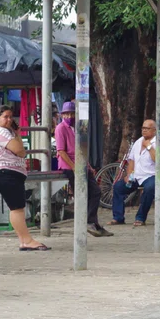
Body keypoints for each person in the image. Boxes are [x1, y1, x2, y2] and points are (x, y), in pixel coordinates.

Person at [0, 105, 50, 251]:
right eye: (5, 117)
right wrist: (16, 135)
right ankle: (27, 240)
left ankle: (24, 240)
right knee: (17, 208)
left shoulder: (7, 131)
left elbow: (20, 150)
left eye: (10, 117)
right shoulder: (0, 131)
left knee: (17, 207)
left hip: (10, 172)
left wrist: (17, 133)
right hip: (5, 172)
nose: (8, 120)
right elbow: (20, 151)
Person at [55, 101, 111, 238]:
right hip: (70, 165)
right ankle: (89, 222)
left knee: (96, 192)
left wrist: (89, 166)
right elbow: (61, 151)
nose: (69, 116)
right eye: (66, 114)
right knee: (84, 194)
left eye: (71, 113)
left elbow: (81, 150)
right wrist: (74, 167)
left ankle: (92, 222)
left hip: (81, 165)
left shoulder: (79, 128)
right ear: (62, 115)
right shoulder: (60, 128)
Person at [111, 119, 158, 227]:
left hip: (151, 175)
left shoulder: (157, 142)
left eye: (147, 128)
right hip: (137, 176)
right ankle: (118, 218)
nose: (144, 130)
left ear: (154, 130)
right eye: (143, 128)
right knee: (118, 187)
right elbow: (131, 160)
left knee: (150, 188)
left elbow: (157, 159)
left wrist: (149, 147)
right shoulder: (138, 142)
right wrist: (129, 174)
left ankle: (140, 217)